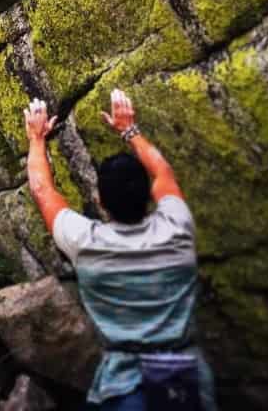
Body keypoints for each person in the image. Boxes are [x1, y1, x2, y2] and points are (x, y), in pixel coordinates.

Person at [24, 90, 217, 411]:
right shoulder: (177, 228)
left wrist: (36, 138)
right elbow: (163, 174)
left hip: (124, 388)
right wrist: (129, 129)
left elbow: (42, 189)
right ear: (150, 197)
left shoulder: (87, 243)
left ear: (100, 200)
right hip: (188, 384)